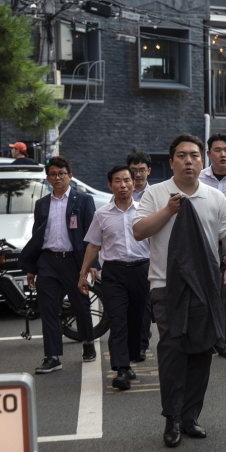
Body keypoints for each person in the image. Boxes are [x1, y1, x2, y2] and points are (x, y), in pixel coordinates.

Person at [133, 134, 226, 448]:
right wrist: (167, 211)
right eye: (181, 156)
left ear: (201, 159)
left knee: (201, 352)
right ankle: (172, 417)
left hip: (205, 287)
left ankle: (191, 416)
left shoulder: (214, 197)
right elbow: (139, 231)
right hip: (165, 286)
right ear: (171, 162)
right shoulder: (156, 194)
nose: (188, 161)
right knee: (172, 351)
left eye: (194, 155)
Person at [20, 156, 98, 374]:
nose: (57, 178)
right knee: (48, 309)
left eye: (61, 174)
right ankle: (52, 356)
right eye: (53, 174)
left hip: (74, 261)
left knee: (80, 304)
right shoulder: (42, 204)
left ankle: (88, 341)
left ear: (70, 176)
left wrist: (93, 263)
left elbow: (92, 234)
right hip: (47, 261)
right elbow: (37, 236)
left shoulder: (82, 200)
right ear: (48, 178)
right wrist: (32, 267)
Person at [79, 166, 150, 391]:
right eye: (117, 181)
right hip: (114, 273)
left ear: (133, 183)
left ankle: (128, 360)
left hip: (142, 271)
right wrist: (83, 274)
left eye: (127, 180)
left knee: (137, 321)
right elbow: (93, 245)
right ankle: (120, 368)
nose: (123, 185)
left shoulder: (145, 211)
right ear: (110, 185)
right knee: (118, 321)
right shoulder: (101, 214)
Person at [199, 133, 226, 359]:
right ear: (208, 154)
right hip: (204, 243)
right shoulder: (198, 178)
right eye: (217, 150)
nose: (223, 154)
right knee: (205, 292)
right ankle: (207, 337)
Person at [128, 148, 154, 359]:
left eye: (141, 170)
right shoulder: (120, 194)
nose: (137, 175)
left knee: (146, 304)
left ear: (149, 171)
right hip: (128, 257)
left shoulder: (156, 195)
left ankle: (142, 343)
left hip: (150, 256)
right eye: (133, 170)